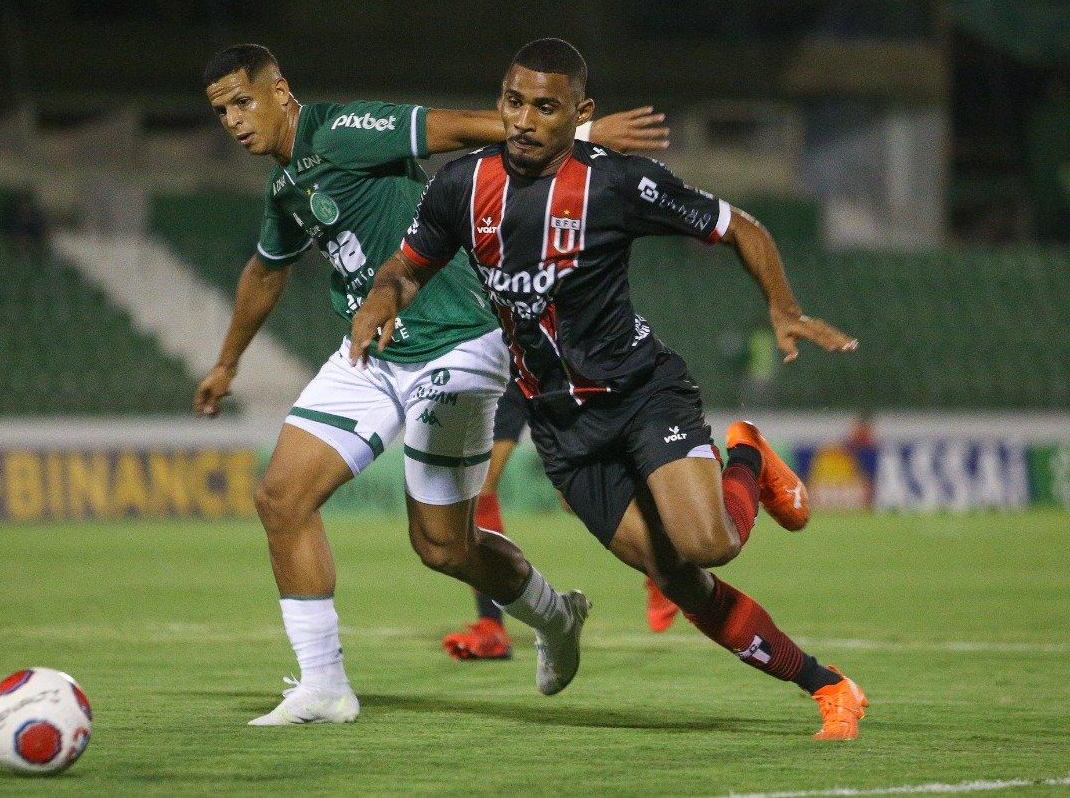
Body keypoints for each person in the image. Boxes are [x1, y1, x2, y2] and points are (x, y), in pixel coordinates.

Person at [350, 38, 870, 740]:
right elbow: (408, 266)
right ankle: (830, 686)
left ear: (580, 113)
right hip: (562, 429)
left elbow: (736, 225)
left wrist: (782, 306)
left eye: (545, 107)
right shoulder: (461, 184)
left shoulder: (618, 182)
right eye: (513, 102)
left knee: (709, 544)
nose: (524, 120)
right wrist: (384, 297)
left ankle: (745, 455)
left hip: (640, 393)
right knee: (679, 579)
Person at [194, 43, 671, 725]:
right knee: (280, 497)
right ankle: (324, 686)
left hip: (456, 341)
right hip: (373, 353)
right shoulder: (286, 186)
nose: (235, 121)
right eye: (221, 112)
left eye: (244, 101)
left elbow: (453, 127)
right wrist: (226, 363)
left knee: (442, 546)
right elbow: (266, 273)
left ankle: (555, 616)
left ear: (280, 90)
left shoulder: (341, 130)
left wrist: (584, 136)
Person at [443, 382, 678, 660]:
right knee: (479, 484)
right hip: (500, 366)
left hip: (547, 366)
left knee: (574, 494)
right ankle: (492, 626)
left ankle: (662, 563)